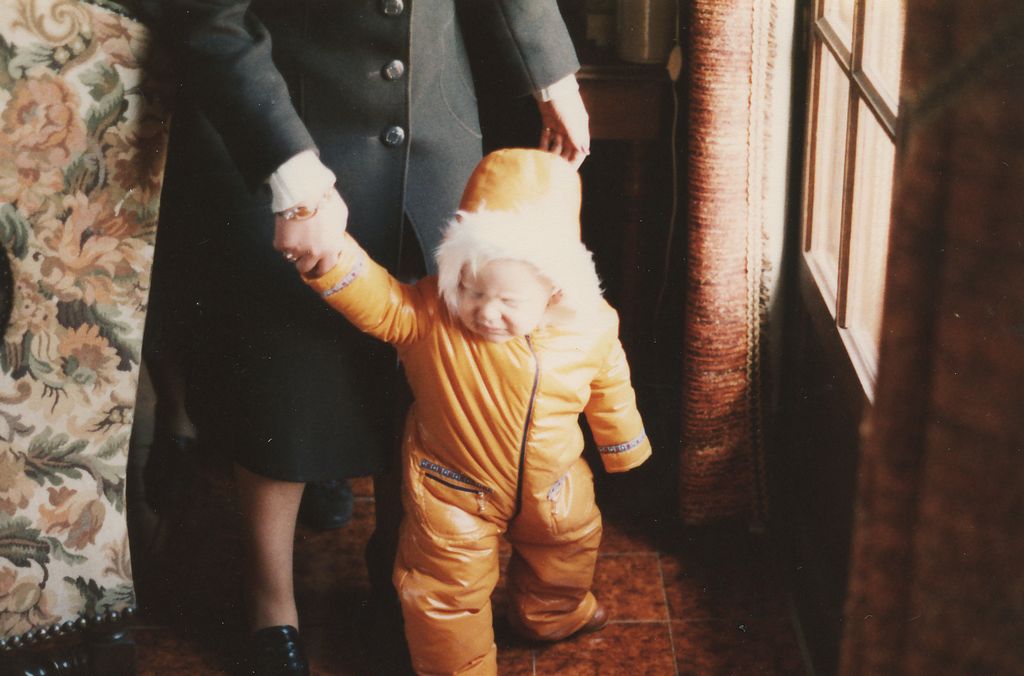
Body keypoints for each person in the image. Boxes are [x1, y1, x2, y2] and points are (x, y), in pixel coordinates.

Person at [145, 1, 591, 673]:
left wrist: (553, 78)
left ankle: (399, 567)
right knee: (282, 376)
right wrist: (291, 173)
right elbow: (211, 17)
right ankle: (271, 607)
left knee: (425, 367)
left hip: (431, 116)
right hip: (274, 124)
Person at [298, 148, 652, 675]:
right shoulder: (428, 316)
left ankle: (551, 615)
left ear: (555, 289)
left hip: (555, 487)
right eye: (469, 288)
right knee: (445, 592)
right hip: (453, 489)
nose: (485, 310)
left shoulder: (591, 324)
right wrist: (332, 259)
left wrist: (623, 444)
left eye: (508, 301)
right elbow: (380, 299)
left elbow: (610, 383)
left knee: (567, 556)